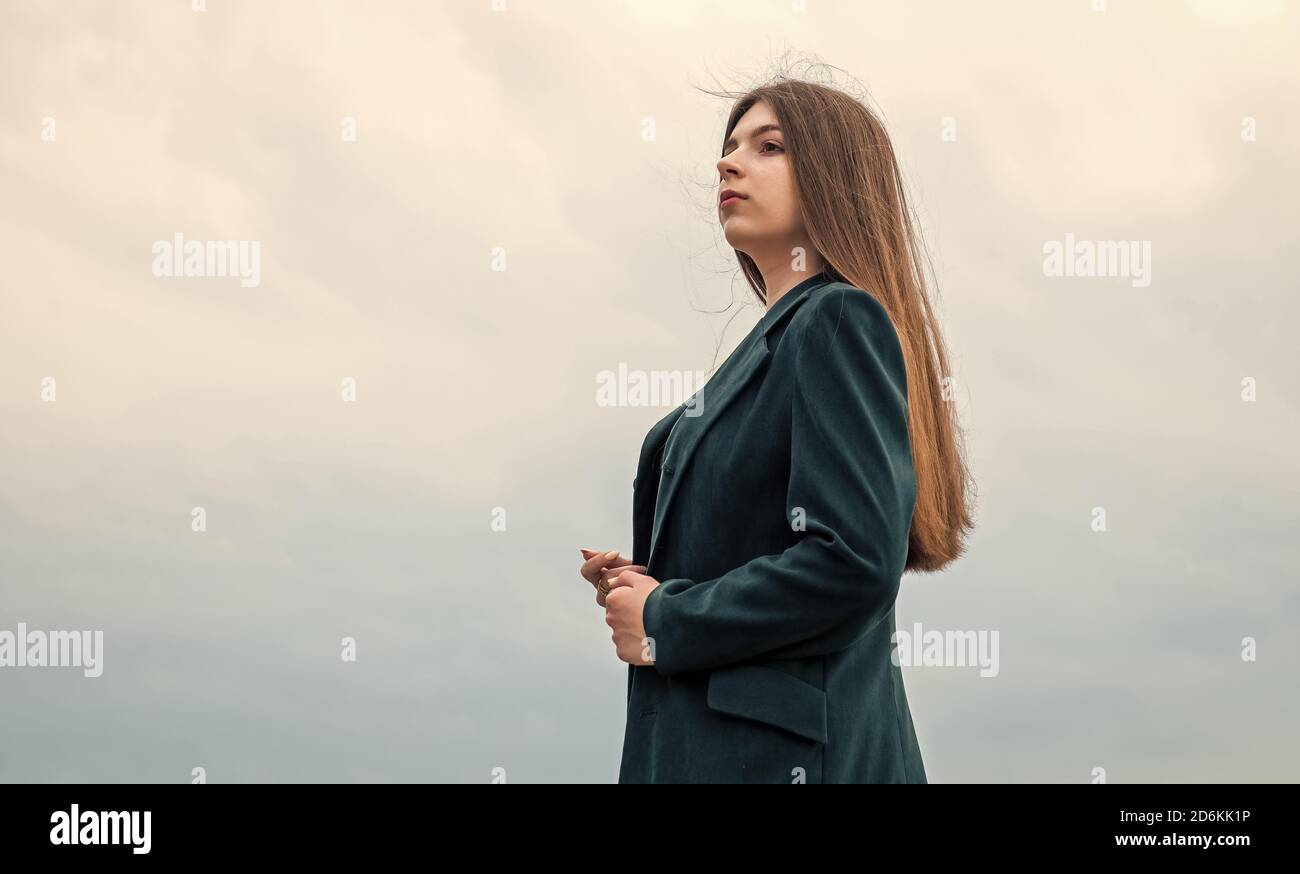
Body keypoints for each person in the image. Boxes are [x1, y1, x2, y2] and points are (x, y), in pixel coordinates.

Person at [580, 77, 974, 783]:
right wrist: (644, 587)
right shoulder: (779, 344)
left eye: (769, 147)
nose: (728, 163)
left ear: (835, 177)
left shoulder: (836, 321)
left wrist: (668, 618)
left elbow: (851, 562)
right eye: (729, 148)